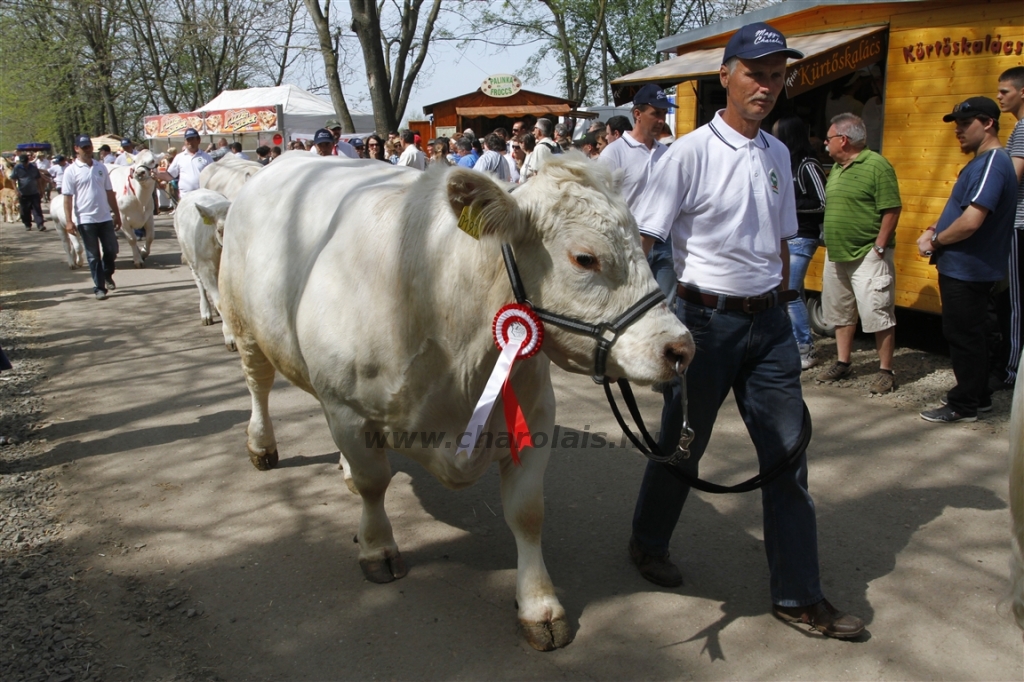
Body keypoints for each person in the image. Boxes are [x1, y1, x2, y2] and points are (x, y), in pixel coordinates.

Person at [629, 21, 864, 639]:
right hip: (704, 322)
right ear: (725, 76)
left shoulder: (780, 153)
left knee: (788, 458)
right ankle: (648, 541)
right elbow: (647, 241)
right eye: (755, 73)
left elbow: (782, 238)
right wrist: (666, 315)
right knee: (683, 444)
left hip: (769, 329)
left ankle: (798, 596)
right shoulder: (688, 153)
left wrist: (784, 301)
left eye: (777, 75)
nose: (767, 86)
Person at [916, 98, 1018, 422]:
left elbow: (973, 220)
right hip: (967, 265)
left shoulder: (992, 162)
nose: (958, 130)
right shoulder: (983, 162)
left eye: (965, 122)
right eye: (956, 123)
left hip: (969, 267)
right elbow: (960, 211)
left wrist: (935, 240)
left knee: (964, 336)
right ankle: (980, 397)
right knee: (974, 334)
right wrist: (935, 227)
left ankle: (964, 404)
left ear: (988, 123)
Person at [816, 113, 902, 394]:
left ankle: (885, 370)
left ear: (843, 140)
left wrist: (879, 246)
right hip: (837, 253)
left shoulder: (877, 165)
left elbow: (891, 207)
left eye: (828, 139)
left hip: (868, 253)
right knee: (840, 312)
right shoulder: (838, 168)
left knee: (878, 311)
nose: (825, 144)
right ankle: (843, 362)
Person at [599, 83, 673, 301]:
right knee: (631, 304)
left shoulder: (667, 153)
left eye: (664, 113)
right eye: (656, 113)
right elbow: (602, 201)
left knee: (665, 305)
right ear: (638, 114)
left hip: (664, 241)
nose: (662, 120)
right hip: (630, 241)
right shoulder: (614, 153)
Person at [773, 116, 827, 370]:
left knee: (790, 294)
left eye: (777, 133)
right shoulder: (786, 164)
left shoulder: (808, 165)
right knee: (791, 292)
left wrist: (789, 209)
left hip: (803, 238)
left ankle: (806, 349)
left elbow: (822, 201)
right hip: (787, 239)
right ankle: (793, 343)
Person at [62, 135, 122, 300]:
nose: (87, 150)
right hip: (86, 219)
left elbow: (109, 192)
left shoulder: (100, 167)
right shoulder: (71, 171)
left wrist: (117, 214)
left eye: (88, 146)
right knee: (93, 255)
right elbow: (67, 197)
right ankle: (99, 287)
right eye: (83, 147)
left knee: (111, 250)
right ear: (76, 149)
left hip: (104, 217)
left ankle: (107, 273)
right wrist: (69, 220)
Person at [994, 66, 1024, 391]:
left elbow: (1012, 179)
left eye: (1004, 91)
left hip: (1018, 224)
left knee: (1014, 302)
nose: (1000, 97)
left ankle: (1012, 370)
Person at [157, 127, 213, 197]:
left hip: (203, 197)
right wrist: (157, 174)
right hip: (185, 198)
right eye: (188, 139)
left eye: (192, 139)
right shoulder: (179, 157)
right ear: (185, 142)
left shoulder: (207, 157)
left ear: (199, 140)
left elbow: (214, 176)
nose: (190, 142)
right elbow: (170, 176)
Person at [11, 153, 46, 231]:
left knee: (37, 209)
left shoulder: (33, 167)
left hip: (34, 192)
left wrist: (41, 190)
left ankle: (40, 224)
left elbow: (38, 179)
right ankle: (27, 224)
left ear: (28, 161)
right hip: (23, 193)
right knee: (24, 210)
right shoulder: (17, 168)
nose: (24, 164)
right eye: (22, 162)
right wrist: (16, 190)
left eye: (25, 162)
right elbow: (13, 179)